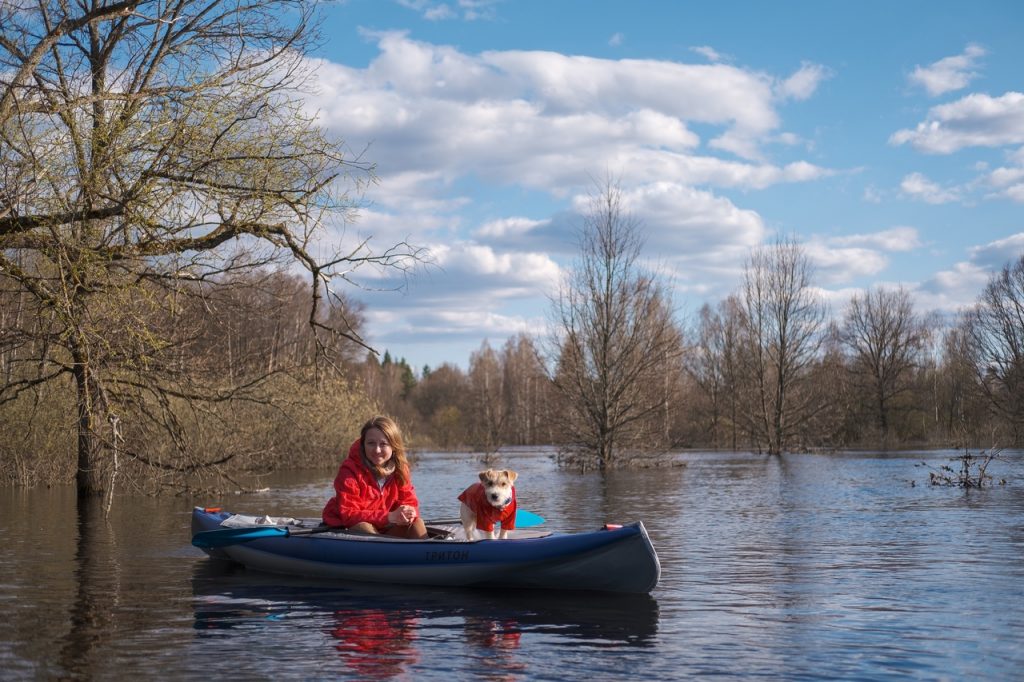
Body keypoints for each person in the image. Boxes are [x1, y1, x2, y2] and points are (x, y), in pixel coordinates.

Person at [322, 415, 428, 539]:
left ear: (393, 447)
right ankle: (386, 554)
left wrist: (409, 513)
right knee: (364, 526)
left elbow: (409, 501)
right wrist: (388, 517)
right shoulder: (349, 470)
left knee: (417, 522)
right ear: (363, 445)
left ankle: (428, 553)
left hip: (384, 527)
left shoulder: (401, 469)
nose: (377, 450)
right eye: (371, 443)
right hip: (348, 526)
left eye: (383, 444)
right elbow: (349, 514)